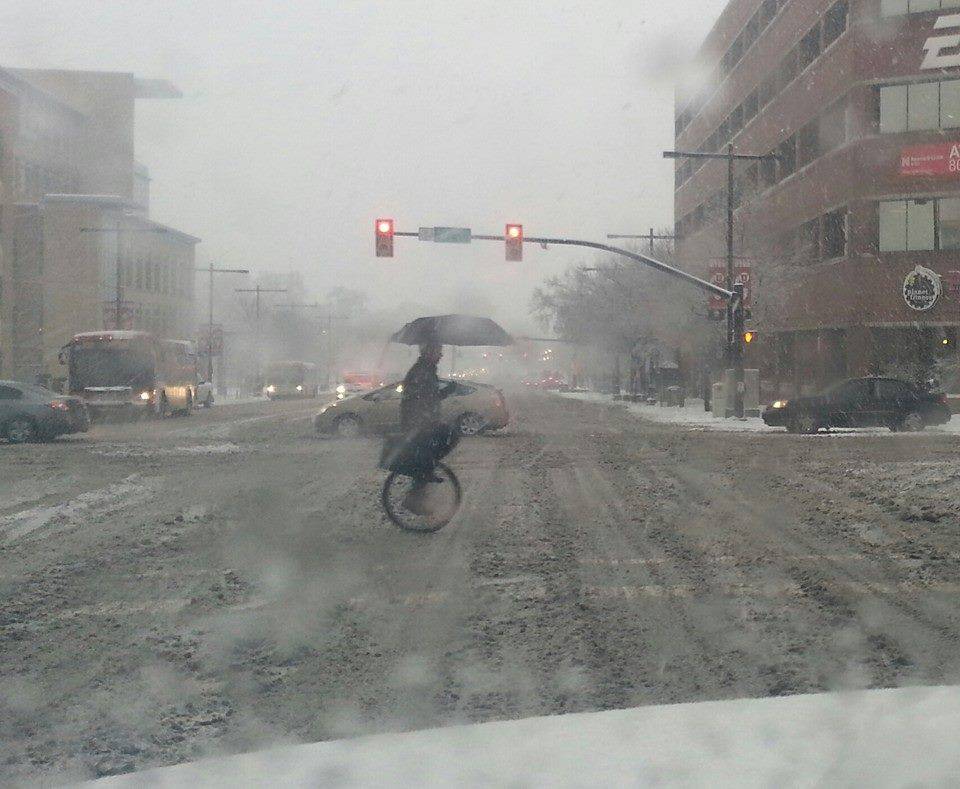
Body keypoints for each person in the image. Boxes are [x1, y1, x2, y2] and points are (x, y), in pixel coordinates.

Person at [398, 341, 457, 513]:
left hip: (422, 421)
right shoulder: (421, 371)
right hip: (417, 423)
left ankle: (423, 478)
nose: (441, 355)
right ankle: (415, 497)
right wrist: (425, 419)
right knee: (447, 437)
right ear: (428, 351)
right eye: (438, 351)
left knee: (429, 455)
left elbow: (431, 397)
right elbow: (421, 399)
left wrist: (448, 391)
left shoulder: (427, 370)